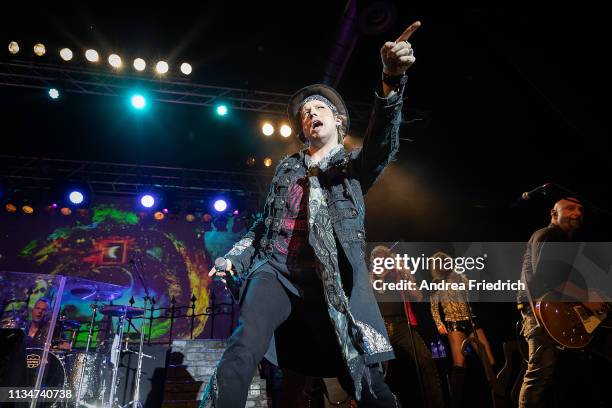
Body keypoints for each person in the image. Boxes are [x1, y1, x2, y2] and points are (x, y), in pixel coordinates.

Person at [205, 21, 422, 407]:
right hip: (275, 272)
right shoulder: (287, 168)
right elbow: (261, 229)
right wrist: (233, 259)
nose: (310, 113)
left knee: (362, 375)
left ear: (337, 120)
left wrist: (391, 79)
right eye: (305, 113)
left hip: (330, 281)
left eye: (319, 107)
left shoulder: (353, 166)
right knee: (242, 347)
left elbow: (383, 141)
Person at [516, 197, 604, 407]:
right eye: (570, 208)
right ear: (554, 214)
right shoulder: (549, 235)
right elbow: (547, 279)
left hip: (556, 312)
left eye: (581, 209)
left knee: (558, 377)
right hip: (540, 313)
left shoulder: (563, 242)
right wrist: (586, 299)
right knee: (539, 374)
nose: (577, 213)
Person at [369, 245, 445, 408]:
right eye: (378, 259)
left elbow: (417, 296)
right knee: (380, 372)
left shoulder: (398, 275)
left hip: (401, 325)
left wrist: (404, 276)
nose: (382, 262)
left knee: (425, 360)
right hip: (380, 326)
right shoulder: (371, 278)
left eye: (384, 258)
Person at [429, 251, 495, 408]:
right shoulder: (436, 283)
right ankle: (456, 402)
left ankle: (496, 394)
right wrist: (439, 323)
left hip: (470, 319)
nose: (442, 265)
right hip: (453, 322)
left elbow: (470, 288)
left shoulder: (459, 277)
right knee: (460, 363)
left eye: (444, 262)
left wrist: (459, 274)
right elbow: (433, 308)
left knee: (489, 359)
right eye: (438, 263)